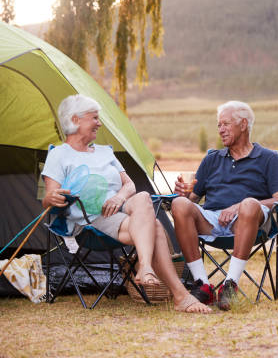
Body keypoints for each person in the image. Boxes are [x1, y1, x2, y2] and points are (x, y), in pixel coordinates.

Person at [41, 95, 209, 314]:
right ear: (75, 120)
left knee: (142, 197)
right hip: (91, 220)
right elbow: (48, 197)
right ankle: (180, 296)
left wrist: (119, 197)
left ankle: (146, 268)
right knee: (156, 228)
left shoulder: (105, 152)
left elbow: (129, 184)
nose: (99, 123)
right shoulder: (59, 155)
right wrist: (52, 198)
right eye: (94, 118)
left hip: (121, 208)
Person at [172, 101, 278, 311]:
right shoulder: (212, 159)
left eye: (225, 124)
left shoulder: (269, 158)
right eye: (218, 125)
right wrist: (183, 193)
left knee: (249, 204)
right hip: (212, 221)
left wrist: (238, 207)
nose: (220, 130)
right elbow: (192, 201)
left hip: (248, 222)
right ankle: (202, 285)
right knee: (179, 204)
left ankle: (230, 285)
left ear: (243, 124)